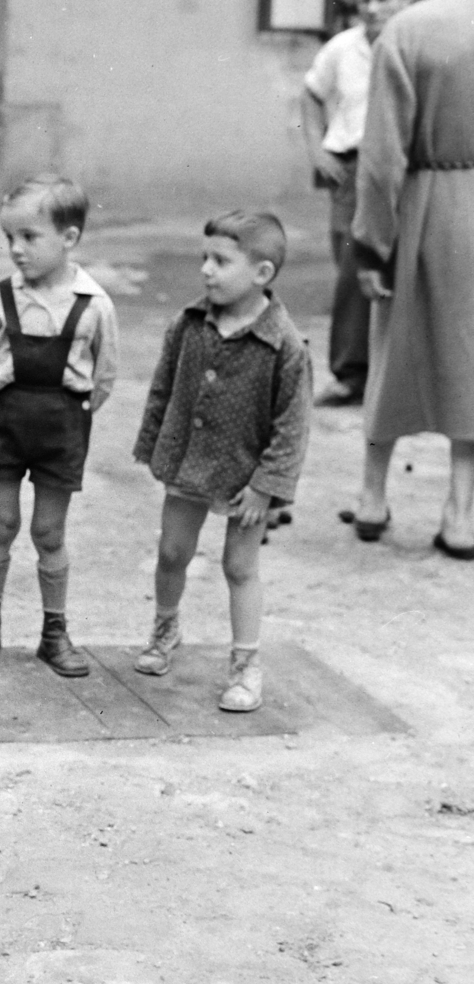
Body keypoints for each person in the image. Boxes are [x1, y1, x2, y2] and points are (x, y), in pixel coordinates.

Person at [131, 213, 312, 713]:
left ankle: (245, 664)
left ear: (262, 274)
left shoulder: (286, 346)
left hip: (245, 474)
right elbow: (162, 388)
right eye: (203, 259)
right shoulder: (187, 325)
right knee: (172, 551)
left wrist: (266, 485)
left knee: (239, 566)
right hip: (190, 461)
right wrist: (155, 448)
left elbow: (292, 425)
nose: (207, 270)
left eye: (221, 261)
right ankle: (165, 631)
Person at [0, 174, 119, 678]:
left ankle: (54, 631)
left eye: (29, 237)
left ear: (69, 239)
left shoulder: (94, 306)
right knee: (1, 524)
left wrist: (67, 415)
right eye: (10, 239)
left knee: (49, 531)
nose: (16, 250)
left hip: (62, 428)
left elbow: (105, 375)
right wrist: (4, 400)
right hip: (4, 421)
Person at [350, 0, 474, 559]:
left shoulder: (408, 29)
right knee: (472, 357)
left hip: (426, 200)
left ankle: (373, 497)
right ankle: (462, 513)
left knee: (392, 347)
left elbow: (381, 159)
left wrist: (371, 243)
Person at [299, 0, 411, 406]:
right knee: (351, 266)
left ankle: (401, 377)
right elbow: (311, 93)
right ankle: (351, 375)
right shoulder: (342, 48)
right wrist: (316, 148)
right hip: (351, 167)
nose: (371, 7)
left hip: (403, 168)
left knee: (403, 266)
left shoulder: (412, 43)